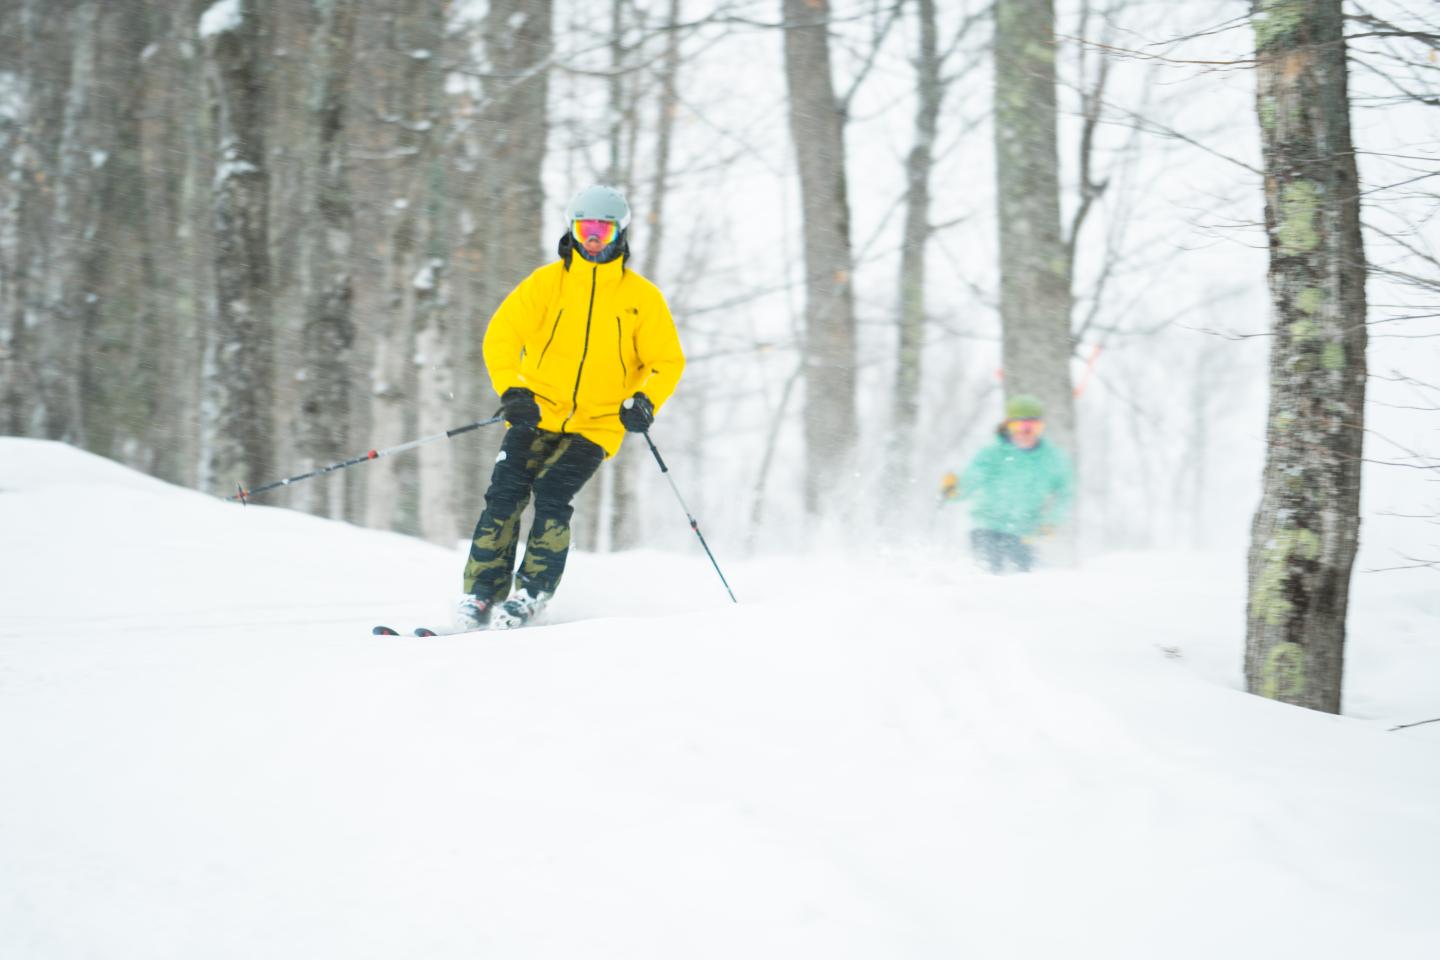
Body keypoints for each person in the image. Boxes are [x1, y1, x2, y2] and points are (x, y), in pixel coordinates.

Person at [458, 185, 685, 629]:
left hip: (597, 424)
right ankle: (481, 594)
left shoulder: (641, 298)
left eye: (603, 229)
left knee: (551, 493)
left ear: (620, 233)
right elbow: (501, 336)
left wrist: (644, 400)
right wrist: (513, 390)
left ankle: (532, 592)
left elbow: (666, 361)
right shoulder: (546, 284)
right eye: (585, 229)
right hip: (536, 413)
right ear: (572, 231)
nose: (593, 239)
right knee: (504, 495)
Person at [940, 394, 1073, 574]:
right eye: (1019, 426)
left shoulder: (1052, 458)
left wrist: (1051, 521)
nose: (1025, 433)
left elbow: (1065, 494)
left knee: (1027, 577)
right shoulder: (994, 453)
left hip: (1024, 532)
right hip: (987, 526)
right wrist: (954, 491)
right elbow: (972, 479)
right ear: (1008, 426)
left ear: (1041, 427)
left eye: (1032, 427)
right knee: (990, 572)